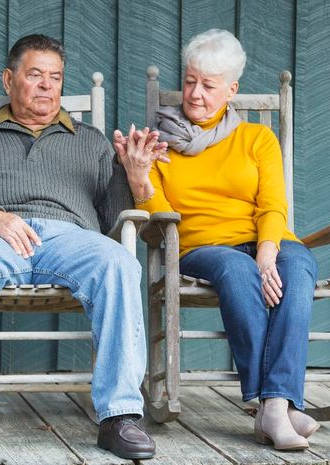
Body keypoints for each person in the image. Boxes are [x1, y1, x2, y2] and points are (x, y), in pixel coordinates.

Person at [0, 34, 161, 461]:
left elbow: (112, 217)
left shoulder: (90, 141)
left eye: (55, 78)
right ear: (9, 79)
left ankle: (120, 416)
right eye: (35, 75)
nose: (47, 86)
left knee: (119, 263)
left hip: (69, 237)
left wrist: (136, 177)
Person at [114, 29, 319, 451]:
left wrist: (268, 252)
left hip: (265, 238)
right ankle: (279, 406)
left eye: (208, 85)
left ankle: (274, 405)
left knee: (298, 267)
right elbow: (160, 220)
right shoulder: (158, 144)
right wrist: (139, 178)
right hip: (201, 247)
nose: (195, 94)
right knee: (235, 268)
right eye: (190, 81)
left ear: (231, 89)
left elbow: (273, 205)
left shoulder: (257, 139)